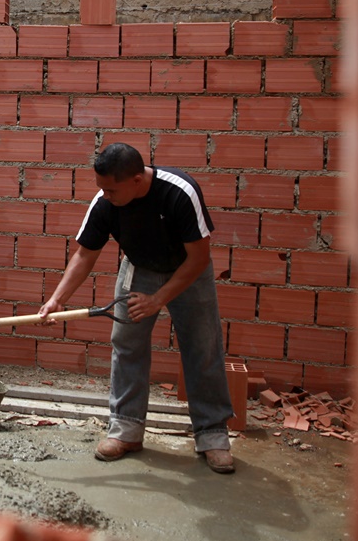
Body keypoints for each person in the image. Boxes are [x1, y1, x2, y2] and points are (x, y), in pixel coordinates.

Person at [38, 142, 236, 474]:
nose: (105, 194)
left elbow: (200, 257)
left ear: (137, 180)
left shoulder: (179, 192)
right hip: (139, 269)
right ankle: (126, 429)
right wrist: (58, 298)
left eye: (111, 188)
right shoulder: (106, 201)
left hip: (188, 271)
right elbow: (85, 254)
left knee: (203, 347)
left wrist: (158, 299)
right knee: (127, 344)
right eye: (101, 187)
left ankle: (212, 434)